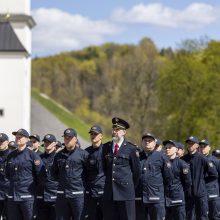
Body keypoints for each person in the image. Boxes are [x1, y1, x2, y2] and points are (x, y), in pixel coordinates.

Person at [102, 117, 140, 220]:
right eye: (113, 129)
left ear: (124, 132)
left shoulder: (131, 149)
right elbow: (105, 169)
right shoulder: (106, 147)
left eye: (118, 130)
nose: (115, 132)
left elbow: (136, 172)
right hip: (110, 193)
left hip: (126, 193)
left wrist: (129, 186)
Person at [5, 128, 43, 220]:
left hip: (27, 198)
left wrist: (32, 190)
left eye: (20, 136)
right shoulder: (11, 155)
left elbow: (40, 176)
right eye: (16, 136)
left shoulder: (32, 155)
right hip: (13, 197)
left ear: (26, 139)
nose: (17, 138)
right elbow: (8, 174)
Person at [52, 128, 88, 220]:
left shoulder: (83, 155)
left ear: (75, 139)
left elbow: (89, 173)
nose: (67, 140)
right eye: (65, 138)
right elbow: (54, 173)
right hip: (62, 196)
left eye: (69, 138)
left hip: (78, 195)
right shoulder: (58, 155)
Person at [137, 133, 173, 220]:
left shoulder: (161, 157)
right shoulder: (136, 156)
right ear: (142, 142)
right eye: (145, 140)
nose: (147, 142)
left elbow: (168, 178)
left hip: (156, 198)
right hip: (139, 198)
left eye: (150, 141)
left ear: (154, 143)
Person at [182, 136, 218, 220]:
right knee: (189, 217)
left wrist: (201, 183)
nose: (190, 145)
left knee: (202, 217)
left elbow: (214, 174)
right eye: (188, 143)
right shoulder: (183, 159)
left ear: (197, 145)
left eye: (192, 143)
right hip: (187, 195)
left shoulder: (203, 158)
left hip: (200, 195)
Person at [163, 140, 192, 220]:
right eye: (166, 148)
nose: (167, 149)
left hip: (178, 199)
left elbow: (187, 182)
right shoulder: (162, 162)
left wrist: (178, 191)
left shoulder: (182, 164)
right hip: (165, 199)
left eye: (170, 147)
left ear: (176, 149)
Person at [85, 125, 105, 220]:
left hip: (104, 192)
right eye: (91, 134)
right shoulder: (86, 152)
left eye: (95, 134)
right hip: (90, 193)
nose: (93, 136)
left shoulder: (107, 150)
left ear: (101, 136)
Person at [36, 134, 58, 220]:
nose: (47, 144)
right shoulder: (38, 158)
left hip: (54, 197)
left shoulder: (59, 157)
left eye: (49, 142)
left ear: (54, 144)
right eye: (45, 142)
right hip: (41, 197)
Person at [199, 139, 220, 219]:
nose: (202, 148)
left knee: (215, 217)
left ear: (209, 148)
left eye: (204, 146)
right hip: (200, 194)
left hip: (213, 194)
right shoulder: (196, 160)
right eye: (201, 147)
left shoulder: (215, 160)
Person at [0, 133, 10, 220]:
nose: (0, 143)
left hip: (8, 194)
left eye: (2, 141)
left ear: (7, 142)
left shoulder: (12, 156)